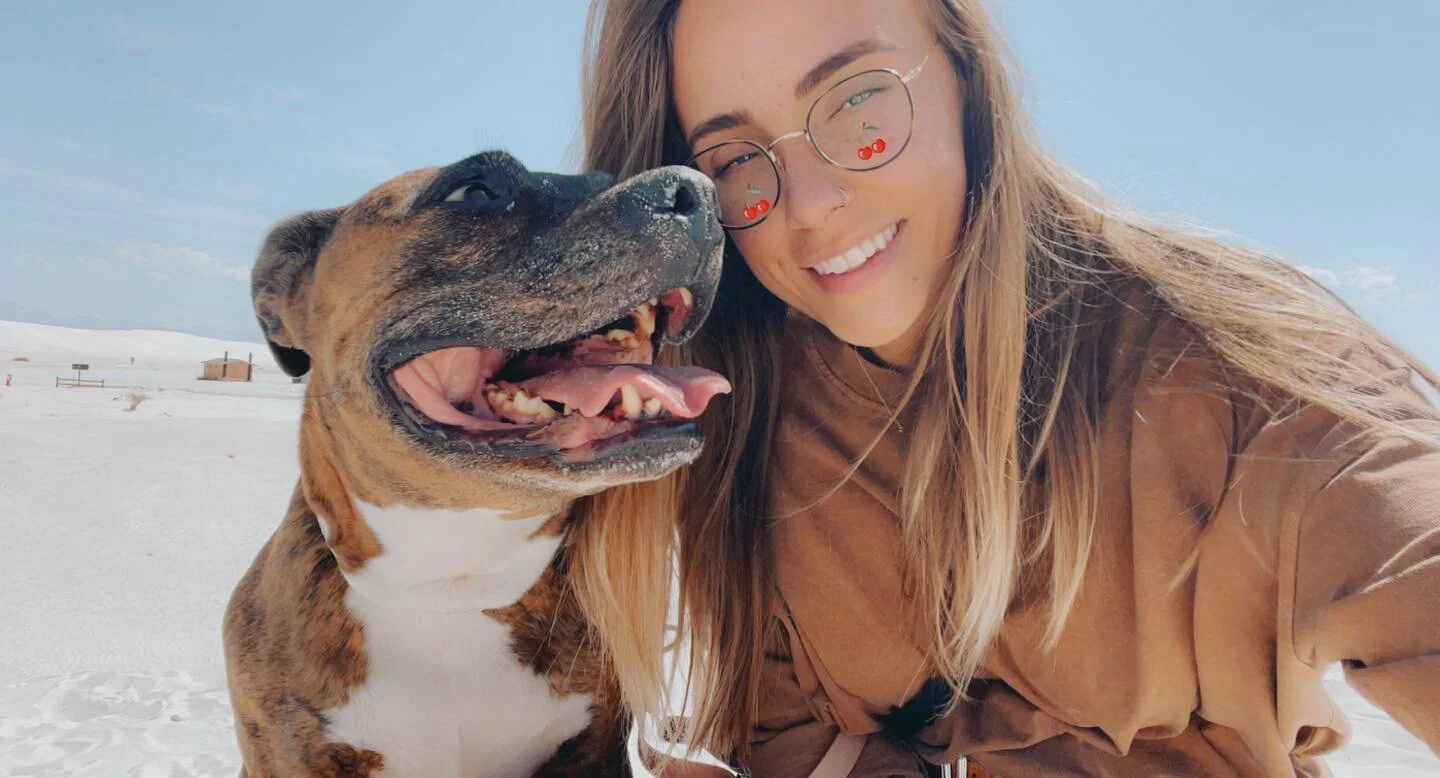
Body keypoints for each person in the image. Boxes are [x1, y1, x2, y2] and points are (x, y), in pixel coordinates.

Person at [566, 0, 1440, 775]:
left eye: (860, 99)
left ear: (963, 72)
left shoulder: (1235, 374)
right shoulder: (745, 414)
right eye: (732, 160)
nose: (811, 201)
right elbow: (781, 724)